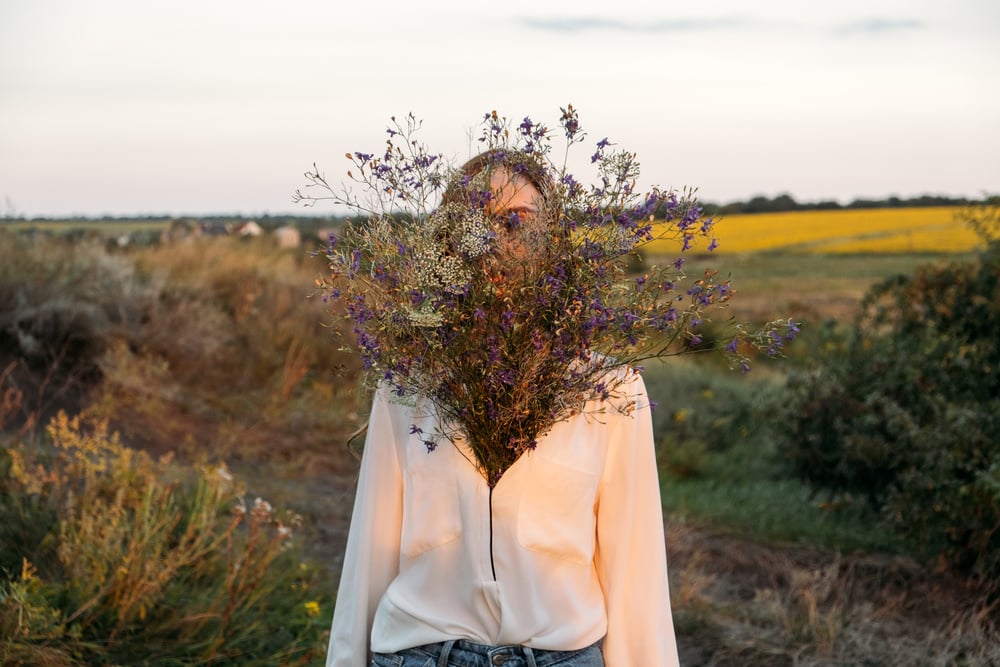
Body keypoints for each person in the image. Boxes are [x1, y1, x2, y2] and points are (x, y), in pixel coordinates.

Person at [326, 152, 681, 667]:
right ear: (451, 239)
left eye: (519, 220)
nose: (497, 238)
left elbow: (636, 573)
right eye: (477, 221)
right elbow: (369, 558)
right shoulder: (408, 385)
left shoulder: (609, 388)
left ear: (552, 237)